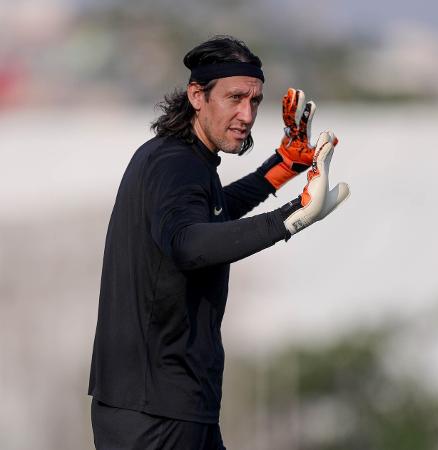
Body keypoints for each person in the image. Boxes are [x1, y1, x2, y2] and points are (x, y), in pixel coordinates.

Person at [88, 35, 349, 450]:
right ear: (197, 95)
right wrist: (292, 217)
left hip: (170, 405)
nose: (247, 114)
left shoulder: (181, 159)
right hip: (155, 414)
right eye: (235, 98)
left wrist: (283, 167)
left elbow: (215, 213)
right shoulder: (176, 164)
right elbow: (189, 245)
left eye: (256, 101)